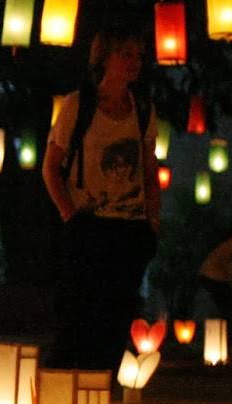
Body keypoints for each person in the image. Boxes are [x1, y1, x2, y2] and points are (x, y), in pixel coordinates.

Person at [42, 28, 160, 370]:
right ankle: (61, 394)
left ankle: (97, 395)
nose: (135, 63)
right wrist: (70, 214)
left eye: (139, 56)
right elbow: (51, 167)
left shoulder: (142, 110)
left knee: (115, 323)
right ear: (104, 58)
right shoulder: (79, 106)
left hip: (130, 229)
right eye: (126, 54)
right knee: (77, 318)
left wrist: (152, 223)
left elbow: (150, 171)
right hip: (88, 227)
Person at [186, 205, 232, 325]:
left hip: (210, 273)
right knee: (229, 309)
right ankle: (229, 336)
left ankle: (225, 335)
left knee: (226, 307)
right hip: (214, 275)